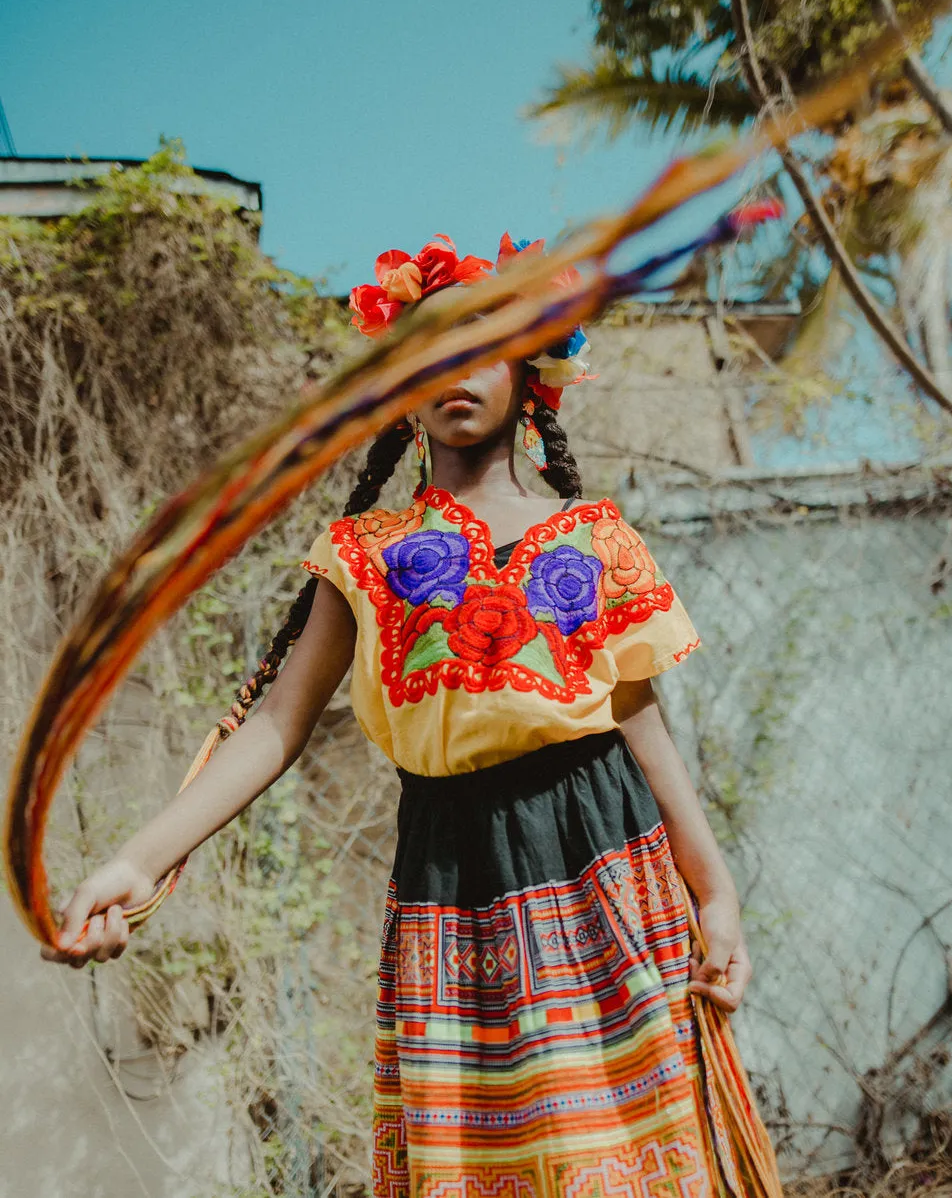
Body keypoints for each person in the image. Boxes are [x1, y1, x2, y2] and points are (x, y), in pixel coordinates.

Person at [41, 233, 758, 1197]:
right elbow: (273, 729)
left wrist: (713, 894)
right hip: (452, 885)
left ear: (530, 369)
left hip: (609, 871)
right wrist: (138, 862)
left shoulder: (594, 539)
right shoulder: (366, 555)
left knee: (632, 1162)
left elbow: (641, 722)